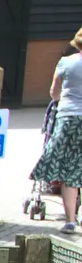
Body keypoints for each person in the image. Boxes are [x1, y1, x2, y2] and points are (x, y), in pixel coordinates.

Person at [31, 28, 82, 234]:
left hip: (68, 119)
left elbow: (54, 93)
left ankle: (70, 221)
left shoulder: (65, 62)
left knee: (70, 170)